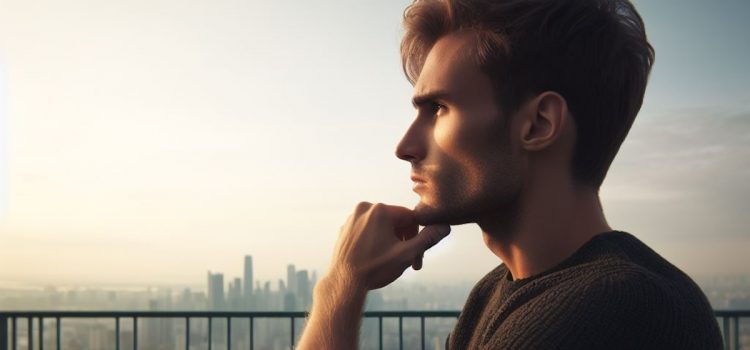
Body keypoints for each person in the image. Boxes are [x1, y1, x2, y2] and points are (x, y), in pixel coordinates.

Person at [298, 0, 723, 348]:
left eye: (439, 109)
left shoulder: (613, 306)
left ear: (538, 124)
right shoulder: (497, 292)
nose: (405, 147)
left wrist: (340, 286)